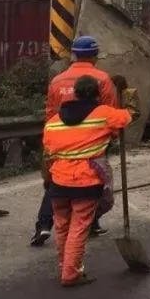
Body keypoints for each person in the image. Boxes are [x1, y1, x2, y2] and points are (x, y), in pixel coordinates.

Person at [42, 75, 132, 287]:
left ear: (75, 93)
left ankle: (65, 266)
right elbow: (128, 117)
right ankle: (71, 274)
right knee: (79, 227)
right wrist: (127, 94)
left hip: (58, 181)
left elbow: (48, 150)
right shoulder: (103, 114)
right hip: (85, 180)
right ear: (97, 94)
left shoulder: (53, 122)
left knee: (62, 226)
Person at [32, 35, 118, 247]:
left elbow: (50, 113)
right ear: (95, 55)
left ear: (74, 55)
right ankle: (91, 222)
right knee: (94, 182)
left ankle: (43, 226)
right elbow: (111, 113)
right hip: (91, 141)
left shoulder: (58, 80)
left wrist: (50, 140)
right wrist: (111, 138)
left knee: (56, 183)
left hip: (60, 140)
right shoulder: (102, 79)